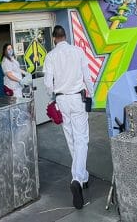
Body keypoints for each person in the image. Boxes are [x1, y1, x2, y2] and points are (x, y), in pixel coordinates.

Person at [44, 25, 93, 210]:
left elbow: (48, 84)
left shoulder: (50, 56)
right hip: (78, 98)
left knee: (71, 139)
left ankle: (82, 176)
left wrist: (53, 97)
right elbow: (87, 76)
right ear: (65, 36)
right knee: (82, 139)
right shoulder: (77, 51)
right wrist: (92, 94)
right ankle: (77, 179)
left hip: (62, 100)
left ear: (54, 38)